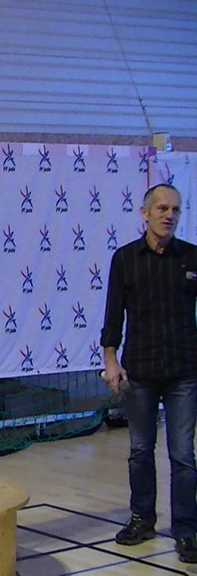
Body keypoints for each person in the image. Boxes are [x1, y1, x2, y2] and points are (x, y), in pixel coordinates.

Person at [101, 183, 197, 563]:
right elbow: (113, 315)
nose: (169, 215)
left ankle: (187, 530)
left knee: (183, 455)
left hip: (184, 372)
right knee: (140, 451)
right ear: (145, 214)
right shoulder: (125, 258)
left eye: (175, 209)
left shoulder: (192, 257)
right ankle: (142, 519)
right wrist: (110, 361)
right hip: (139, 370)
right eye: (161, 208)